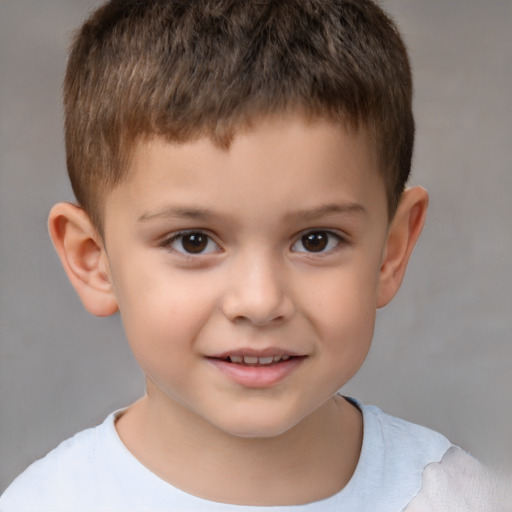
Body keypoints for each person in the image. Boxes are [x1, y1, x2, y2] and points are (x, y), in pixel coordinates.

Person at [0, 0, 502, 510]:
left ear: (390, 253)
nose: (260, 302)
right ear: (93, 260)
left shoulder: (461, 499)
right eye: (193, 241)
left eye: (316, 240)